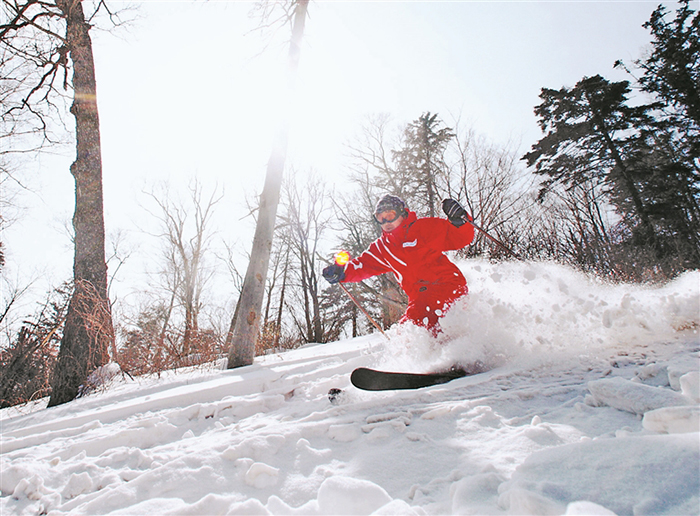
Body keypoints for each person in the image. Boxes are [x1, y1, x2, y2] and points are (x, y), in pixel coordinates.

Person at [323, 194, 474, 333]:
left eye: (390, 216)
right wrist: (342, 272)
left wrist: (459, 220)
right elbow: (364, 265)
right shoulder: (383, 247)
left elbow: (458, 238)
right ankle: (448, 350)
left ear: (402, 213)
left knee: (417, 323)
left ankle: (449, 348)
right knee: (404, 332)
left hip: (446, 285)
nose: (386, 222)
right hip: (419, 298)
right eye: (381, 218)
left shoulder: (422, 229)